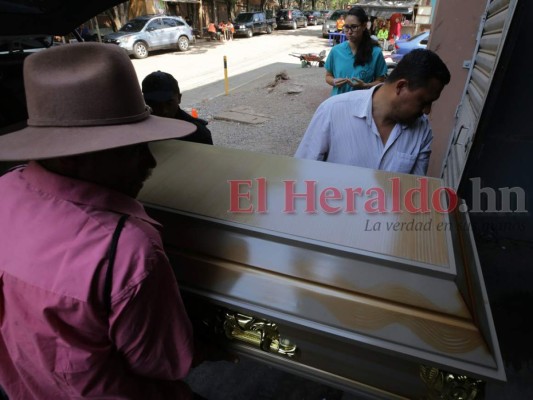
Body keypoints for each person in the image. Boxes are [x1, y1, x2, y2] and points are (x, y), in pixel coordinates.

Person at [0, 42, 210, 399]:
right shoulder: (127, 248)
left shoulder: (5, 189)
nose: (150, 163)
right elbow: (166, 362)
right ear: (70, 158)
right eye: (130, 149)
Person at [295, 49, 451, 176]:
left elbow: (413, 191)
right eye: (423, 102)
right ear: (401, 86)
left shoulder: (422, 131)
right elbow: (301, 174)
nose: (427, 111)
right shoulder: (332, 111)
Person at [325, 6, 388, 96]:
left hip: (362, 105)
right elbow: (328, 76)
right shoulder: (336, 51)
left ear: (364, 26)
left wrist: (366, 85)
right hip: (339, 104)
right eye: (346, 27)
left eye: (354, 27)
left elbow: (381, 82)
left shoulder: (375, 53)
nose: (349, 32)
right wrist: (334, 81)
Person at [142, 71, 214, 145]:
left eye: (169, 103)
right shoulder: (141, 131)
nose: (163, 110)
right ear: (146, 102)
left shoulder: (198, 134)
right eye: (155, 104)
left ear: (179, 98)